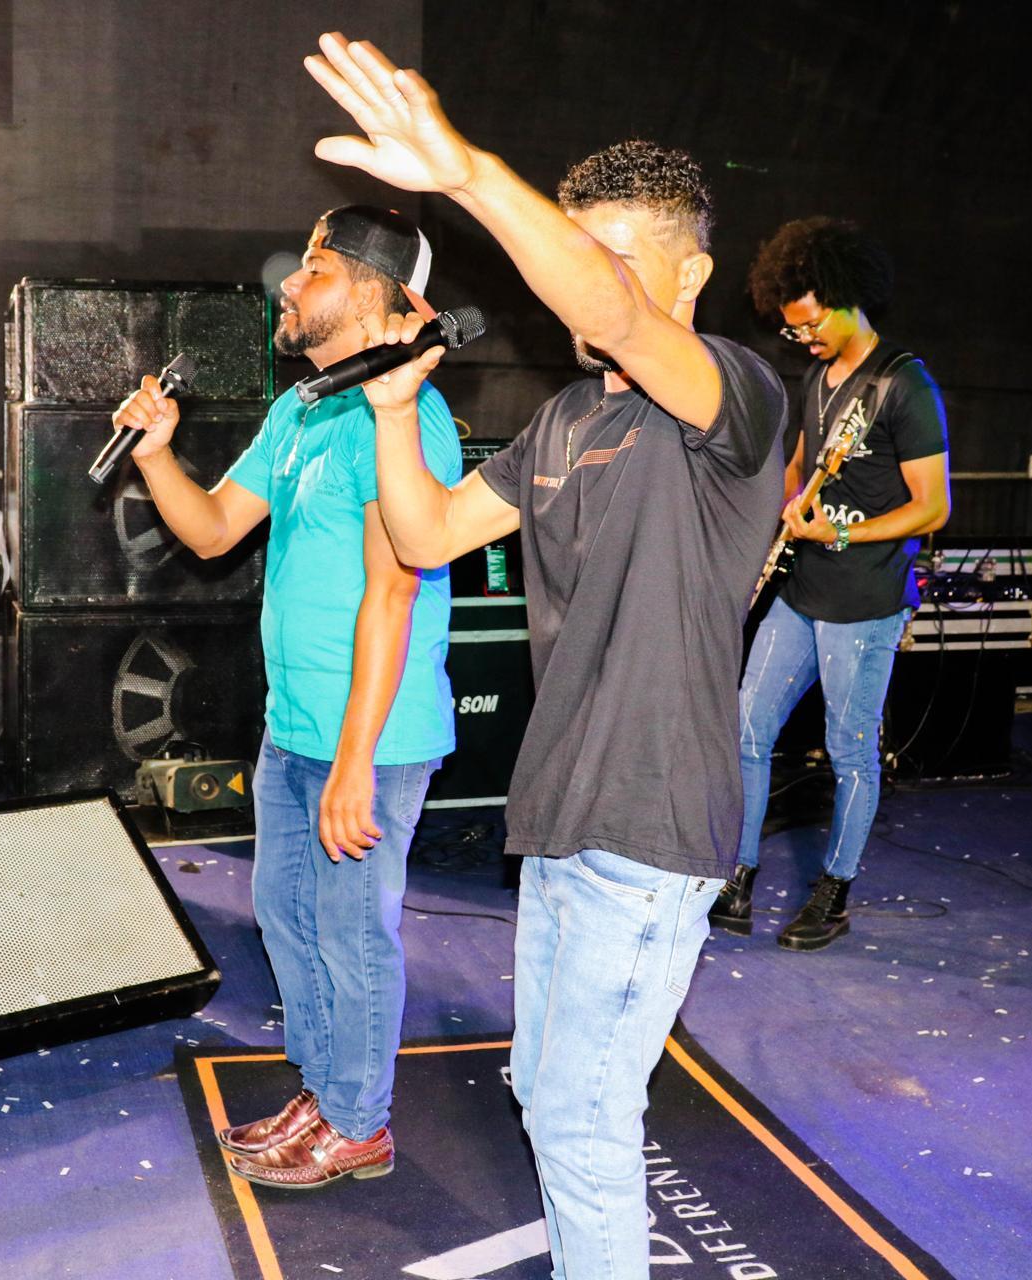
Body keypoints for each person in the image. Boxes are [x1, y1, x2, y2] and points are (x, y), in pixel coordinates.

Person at [303, 35, 785, 1277]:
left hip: (652, 822)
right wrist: (395, 410)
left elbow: (612, 309)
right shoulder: (565, 419)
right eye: (575, 252)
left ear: (693, 274)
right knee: (548, 1089)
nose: (584, 289)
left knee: (579, 1115)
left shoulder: (733, 397)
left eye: (614, 258)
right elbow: (423, 534)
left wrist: (466, 174)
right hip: (562, 817)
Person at [109, 205, 461, 1188]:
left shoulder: (405, 420)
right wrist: (156, 451)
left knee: (351, 933)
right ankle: (326, 1087)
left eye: (315, 267)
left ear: (381, 297)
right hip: (296, 729)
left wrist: (354, 762)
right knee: (288, 916)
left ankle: (360, 1122)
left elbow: (393, 592)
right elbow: (214, 528)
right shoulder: (301, 409)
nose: (289, 285)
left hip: (371, 739)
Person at [711, 217, 951, 950]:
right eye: (792, 330)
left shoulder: (906, 386)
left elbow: (933, 508)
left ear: (847, 299)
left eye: (811, 324)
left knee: (848, 751)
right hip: (801, 592)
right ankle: (738, 877)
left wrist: (841, 535)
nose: (803, 339)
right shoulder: (818, 378)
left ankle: (834, 892)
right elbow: (800, 466)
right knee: (747, 730)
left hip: (865, 603)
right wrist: (783, 509)